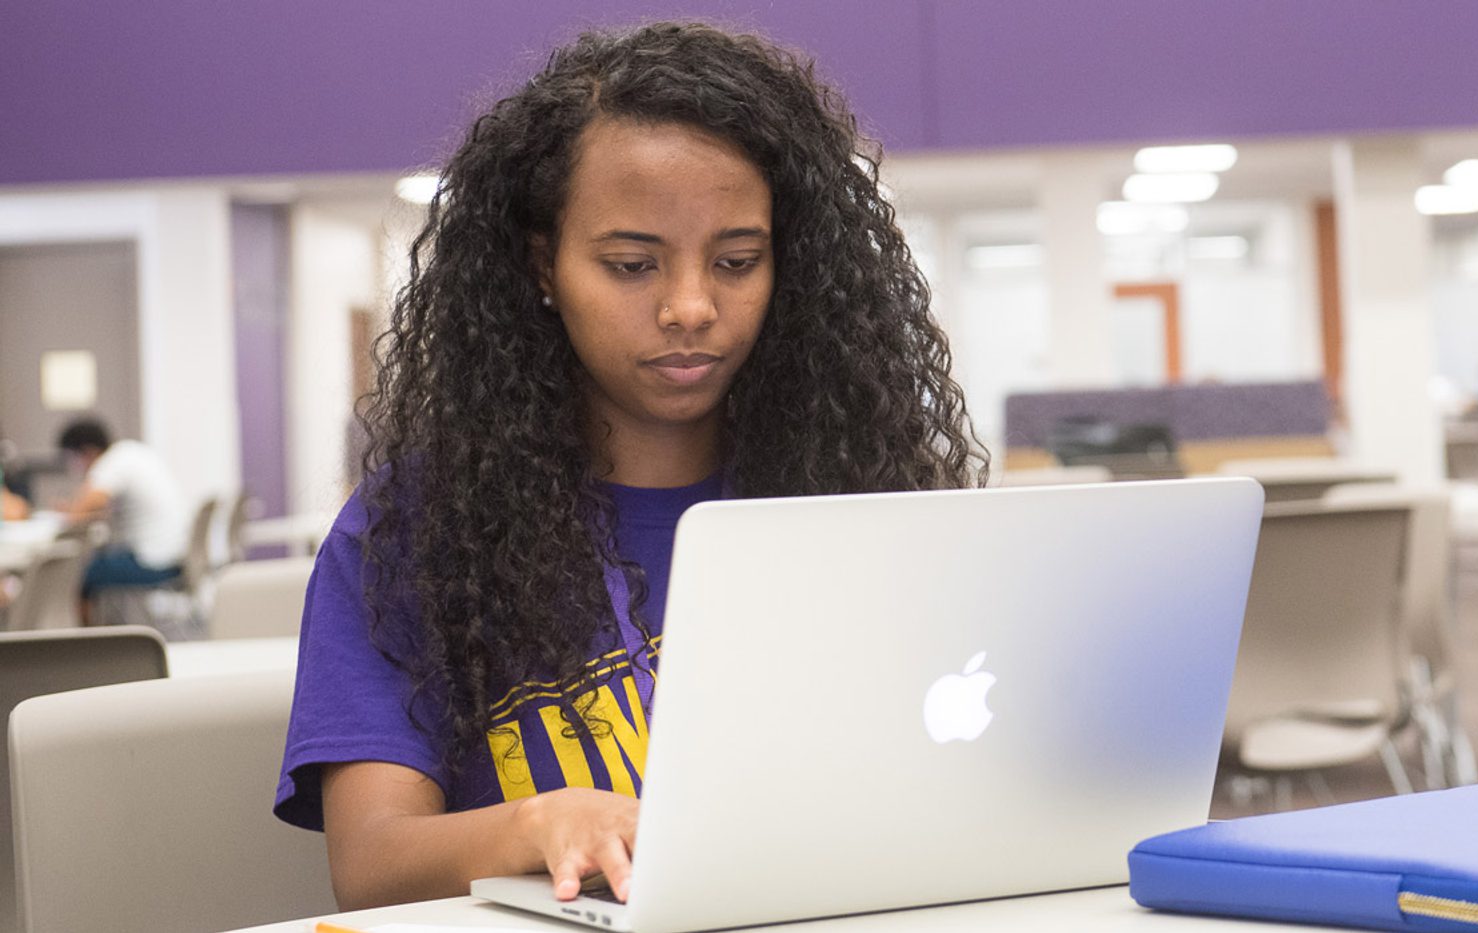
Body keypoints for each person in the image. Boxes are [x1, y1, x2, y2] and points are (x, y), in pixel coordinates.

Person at [273, 22, 985, 912]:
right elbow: (370, 862)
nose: (691, 306)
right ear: (544, 266)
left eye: (736, 261)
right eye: (631, 264)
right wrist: (538, 824)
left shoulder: (860, 497)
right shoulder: (415, 529)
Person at [56, 418, 190, 594]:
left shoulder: (111, 463)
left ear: (87, 452)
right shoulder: (131, 452)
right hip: (176, 556)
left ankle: (84, 623)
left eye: (73, 458)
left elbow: (80, 511)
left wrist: (71, 509)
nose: (74, 466)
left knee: (75, 574)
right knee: (98, 562)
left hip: (153, 561)